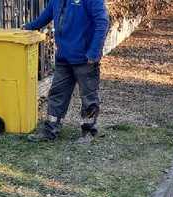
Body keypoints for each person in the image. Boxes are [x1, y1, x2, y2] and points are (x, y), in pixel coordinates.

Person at [23, 0, 109, 142]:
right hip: (64, 58)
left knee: (88, 97)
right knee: (57, 94)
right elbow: (45, 17)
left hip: (85, 59)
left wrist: (94, 52)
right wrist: (27, 28)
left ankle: (88, 133)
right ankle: (50, 130)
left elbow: (102, 22)